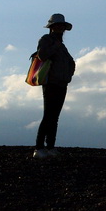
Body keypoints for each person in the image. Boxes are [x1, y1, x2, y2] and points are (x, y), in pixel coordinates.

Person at [33, 13, 76, 159]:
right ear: (51, 27)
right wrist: (55, 46)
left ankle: (50, 146)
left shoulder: (62, 46)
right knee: (48, 115)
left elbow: (71, 62)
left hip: (61, 83)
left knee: (54, 116)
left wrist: (68, 76)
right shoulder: (46, 40)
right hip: (50, 83)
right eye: (57, 25)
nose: (60, 28)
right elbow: (42, 55)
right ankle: (39, 147)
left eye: (62, 26)